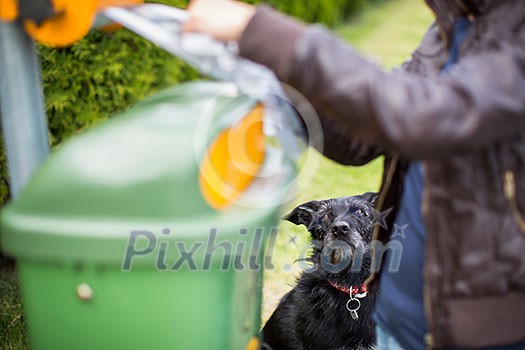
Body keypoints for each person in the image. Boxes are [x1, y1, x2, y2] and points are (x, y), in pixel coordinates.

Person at [184, 0, 525, 349]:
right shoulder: (449, 27)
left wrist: (265, 33)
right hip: (400, 312)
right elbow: (360, 137)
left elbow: (424, 117)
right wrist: (276, 78)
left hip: (489, 326)